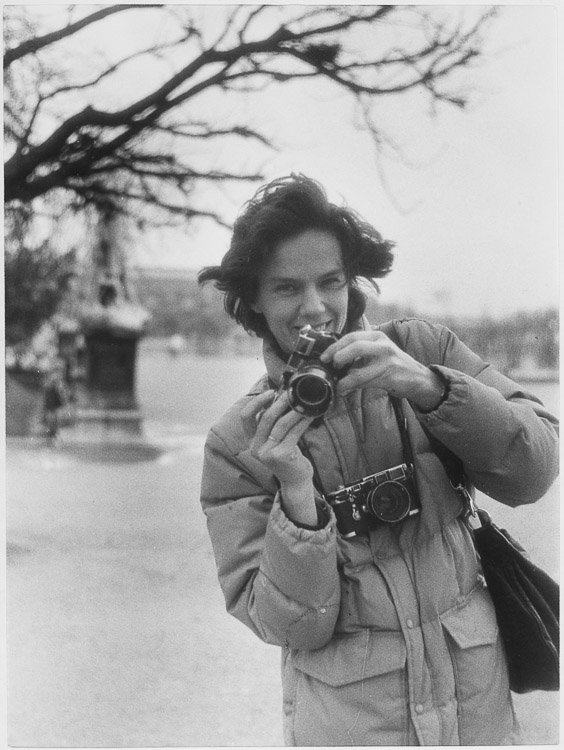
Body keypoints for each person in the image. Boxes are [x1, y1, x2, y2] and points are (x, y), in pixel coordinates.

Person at [197, 174, 559, 746]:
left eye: (330, 282)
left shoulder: (423, 351)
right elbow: (291, 625)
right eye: (287, 288)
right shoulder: (239, 442)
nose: (314, 308)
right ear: (255, 302)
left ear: (353, 281)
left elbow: (536, 469)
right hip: (353, 725)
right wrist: (297, 497)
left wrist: (429, 388)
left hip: (475, 706)